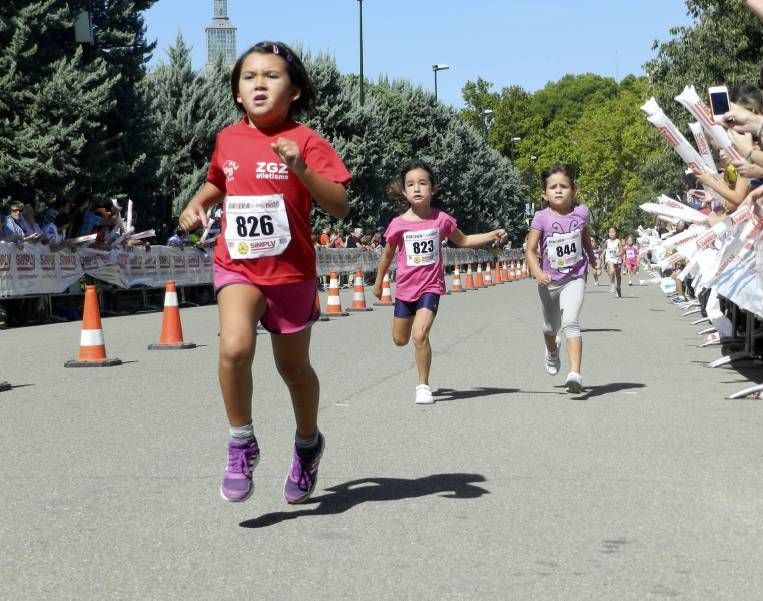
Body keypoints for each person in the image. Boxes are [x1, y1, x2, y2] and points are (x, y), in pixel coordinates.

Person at [178, 41, 351, 505]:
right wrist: (197, 204)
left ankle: (308, 444)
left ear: (294, 91)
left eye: (271, 76)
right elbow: (219, 180)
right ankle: (241, 443)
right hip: (237, 265)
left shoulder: (309, 141)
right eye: (249, 76)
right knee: (234, 347)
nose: (258, 83)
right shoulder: (228, 138)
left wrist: (301, 168)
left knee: (293, 369)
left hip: (291, 272)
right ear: (237, 91)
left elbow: (338, 204)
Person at [371, 160, 507, 404]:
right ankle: (420, 371)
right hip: (404, 289)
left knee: (420, 334)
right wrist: (379, 282)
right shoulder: (398, 224)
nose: (417, 188)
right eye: (411, 184)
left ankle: (423, 385)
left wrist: (491, 234)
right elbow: (387, 255)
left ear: (432, 189)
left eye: (422, 183)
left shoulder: (441, 220)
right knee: (400, 340)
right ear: (404, 191)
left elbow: (463, 240)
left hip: (430, 287)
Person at [525, 165, 598, 394]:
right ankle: (551, 352)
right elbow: (530, 249)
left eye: (564, 186)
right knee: (550, 327)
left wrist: (593, 258)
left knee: (571, 322)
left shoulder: (582, 212)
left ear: (573, 191)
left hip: (575, 277)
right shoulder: (541, 217)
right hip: (549, 282)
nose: (558, 191)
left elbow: (584, 235)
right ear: (544, 194)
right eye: (553, 187)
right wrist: (537, 272)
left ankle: (575, 374)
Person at [603, 227, 623, 297]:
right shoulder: (607, 241)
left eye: (613, 232)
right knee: (611, 271)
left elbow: (621, 251)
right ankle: (612, 284)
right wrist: (602, 254)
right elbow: (605, 249)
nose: (612, 233)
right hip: (609, 259)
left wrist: (618, 254)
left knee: (618, 275)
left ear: (616, 233)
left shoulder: (618, 241)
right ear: (608, 233)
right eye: (610, 232)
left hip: (617, 259)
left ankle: (618, 287)